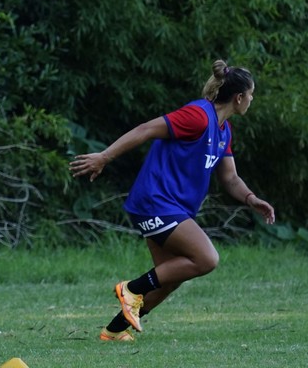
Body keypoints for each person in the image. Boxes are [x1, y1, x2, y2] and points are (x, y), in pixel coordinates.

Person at [69, 59, 276, 342]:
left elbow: (230, 179)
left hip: (173, 208)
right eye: (251, 94)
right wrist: (104, 157)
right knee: (207, 258)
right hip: (154, 202)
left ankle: (114, 331)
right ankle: (131, 289)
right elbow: (145, 129)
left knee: (169, 279)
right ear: (239, 97)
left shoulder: (223, 130)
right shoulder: (198, 116)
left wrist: (252, 199)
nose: (252, 100)